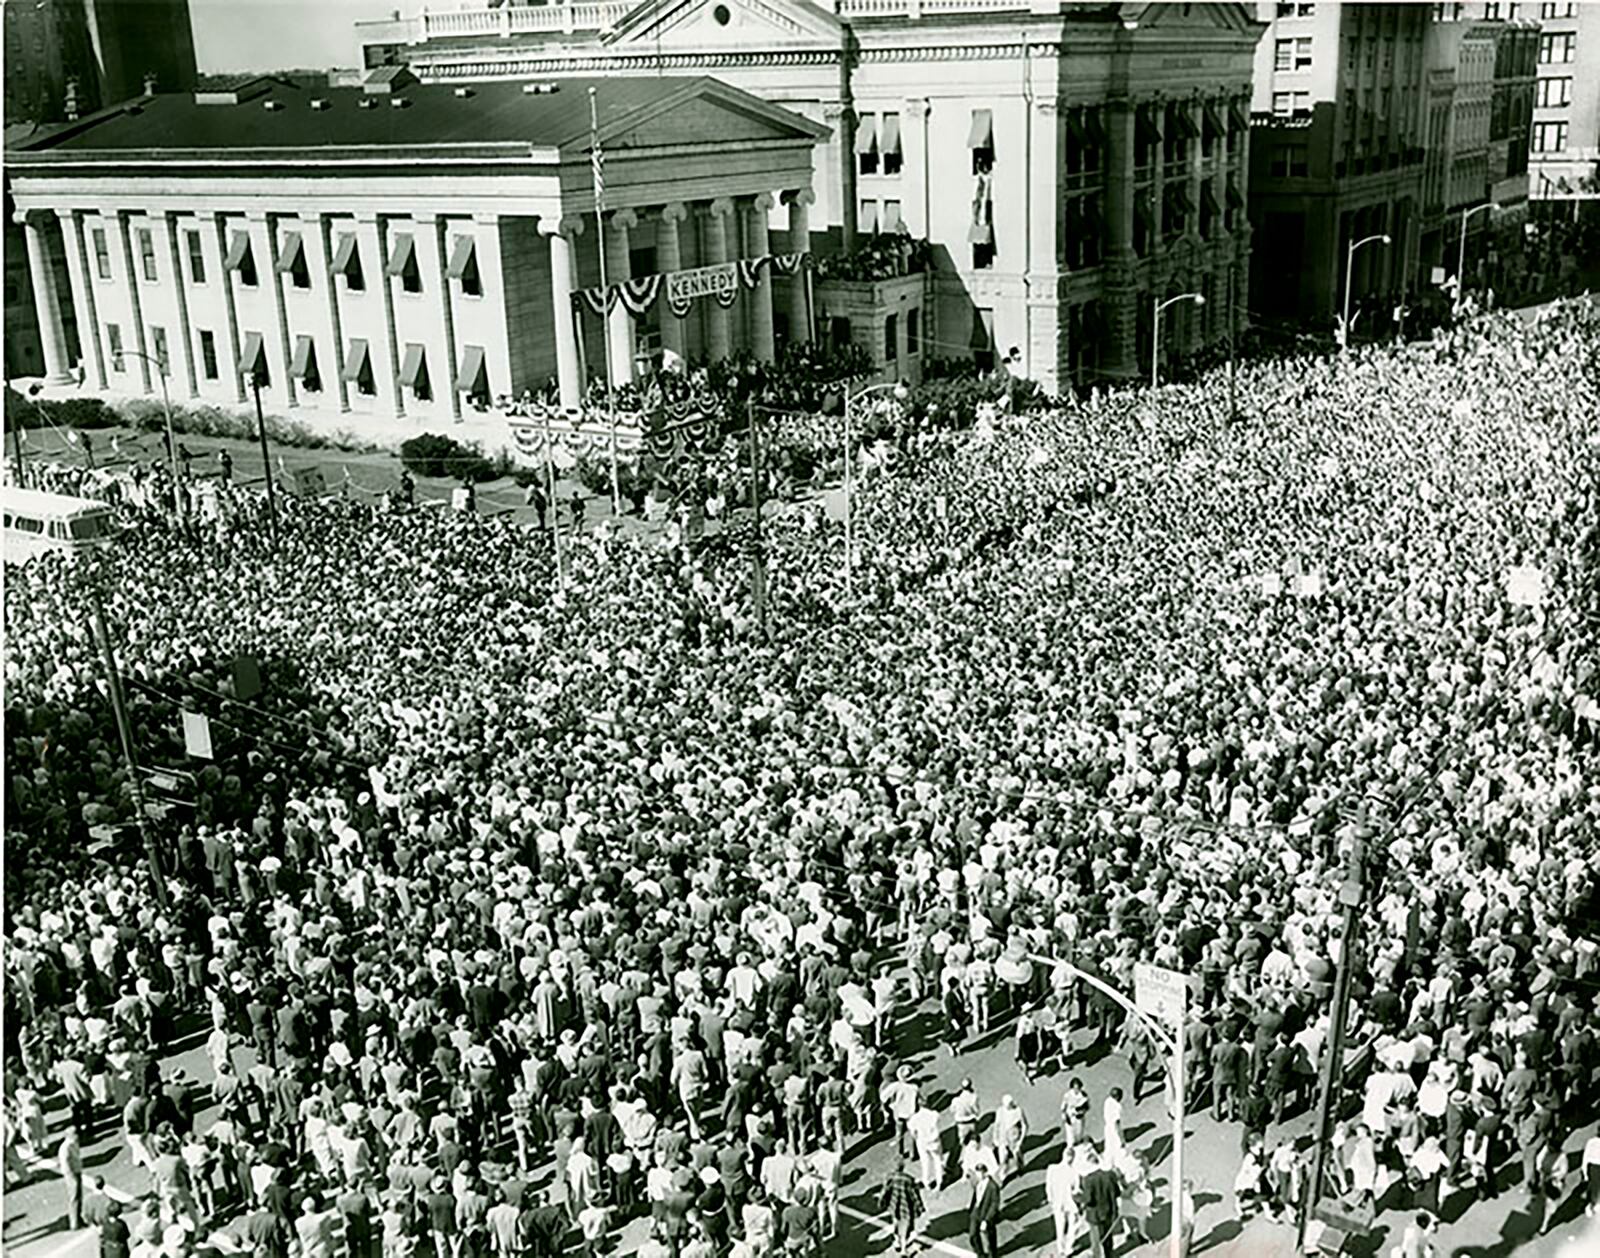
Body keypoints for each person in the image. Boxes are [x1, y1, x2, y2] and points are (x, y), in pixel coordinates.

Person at [1079, 1149, 1121, 1258]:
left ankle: (1096, 1256)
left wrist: (1077, 1198)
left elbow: (1088, 1199)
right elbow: (1117, 1192)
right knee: (1108, 1235)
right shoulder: (1110, 1175)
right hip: (1109, 1211)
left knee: (1095, 1239)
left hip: (1094, 1214)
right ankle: (1109, 1255)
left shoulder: (1089, 1179)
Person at [879, 1157, 923, 1257]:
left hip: (894, 1205)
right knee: (905, 1228)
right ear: (903, 1167)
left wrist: (881, 1202)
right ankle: (903, 1250)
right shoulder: (908, 1179)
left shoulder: (890, 1177)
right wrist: (920, 1207)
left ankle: (896, 1242)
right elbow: (914, 1195)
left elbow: (885, 1191)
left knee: (895, 1223)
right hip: (905, 1206)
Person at [967, 1162, 1000, 1258]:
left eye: (980, 1173)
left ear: (985, 1173)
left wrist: (987, 1220)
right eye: (977, 1172)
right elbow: (975, 1196)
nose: (978, 1175)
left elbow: (994, 1204)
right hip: (976, 1212)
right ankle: (980, 1254)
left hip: (986, 1214)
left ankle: (992, 1255)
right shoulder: (977, 1183)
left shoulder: (993, 1186)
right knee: (973, 1235)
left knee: (990, 1239)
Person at [58, 1126, 84, 1230]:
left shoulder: (73, 1143)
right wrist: (72, 1174)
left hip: (76, 1171)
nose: (77, 1136)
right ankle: (74, 1222)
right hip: (71, 1173)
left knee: (78, 1196)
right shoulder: (66, 1147)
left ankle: (78, 1218)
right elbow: (65, 1163)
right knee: (74, 1197)